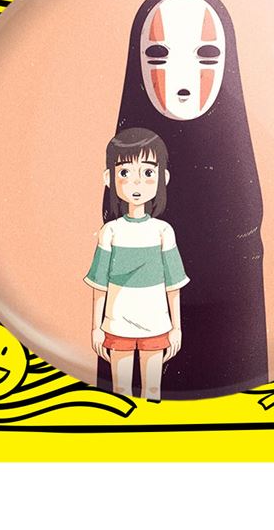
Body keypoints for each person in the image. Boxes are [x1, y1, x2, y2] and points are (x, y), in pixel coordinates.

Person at [100, 0, 269, 399]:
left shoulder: (233, 188)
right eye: (158, 56)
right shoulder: (129, 184)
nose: (181, 81)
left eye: (206, 56)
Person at [84, 127, 188, 402]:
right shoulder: (110, 232)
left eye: (148, 172)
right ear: (109, 178)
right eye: (125, 173)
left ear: (163, 178)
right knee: (121, 393)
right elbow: (99, 284)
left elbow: (173, 285)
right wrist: (96, 328)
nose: (137, 183)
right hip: (117, 325)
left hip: (156, 325)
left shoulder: (163, 232)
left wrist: (176, 328)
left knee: (153, 393)